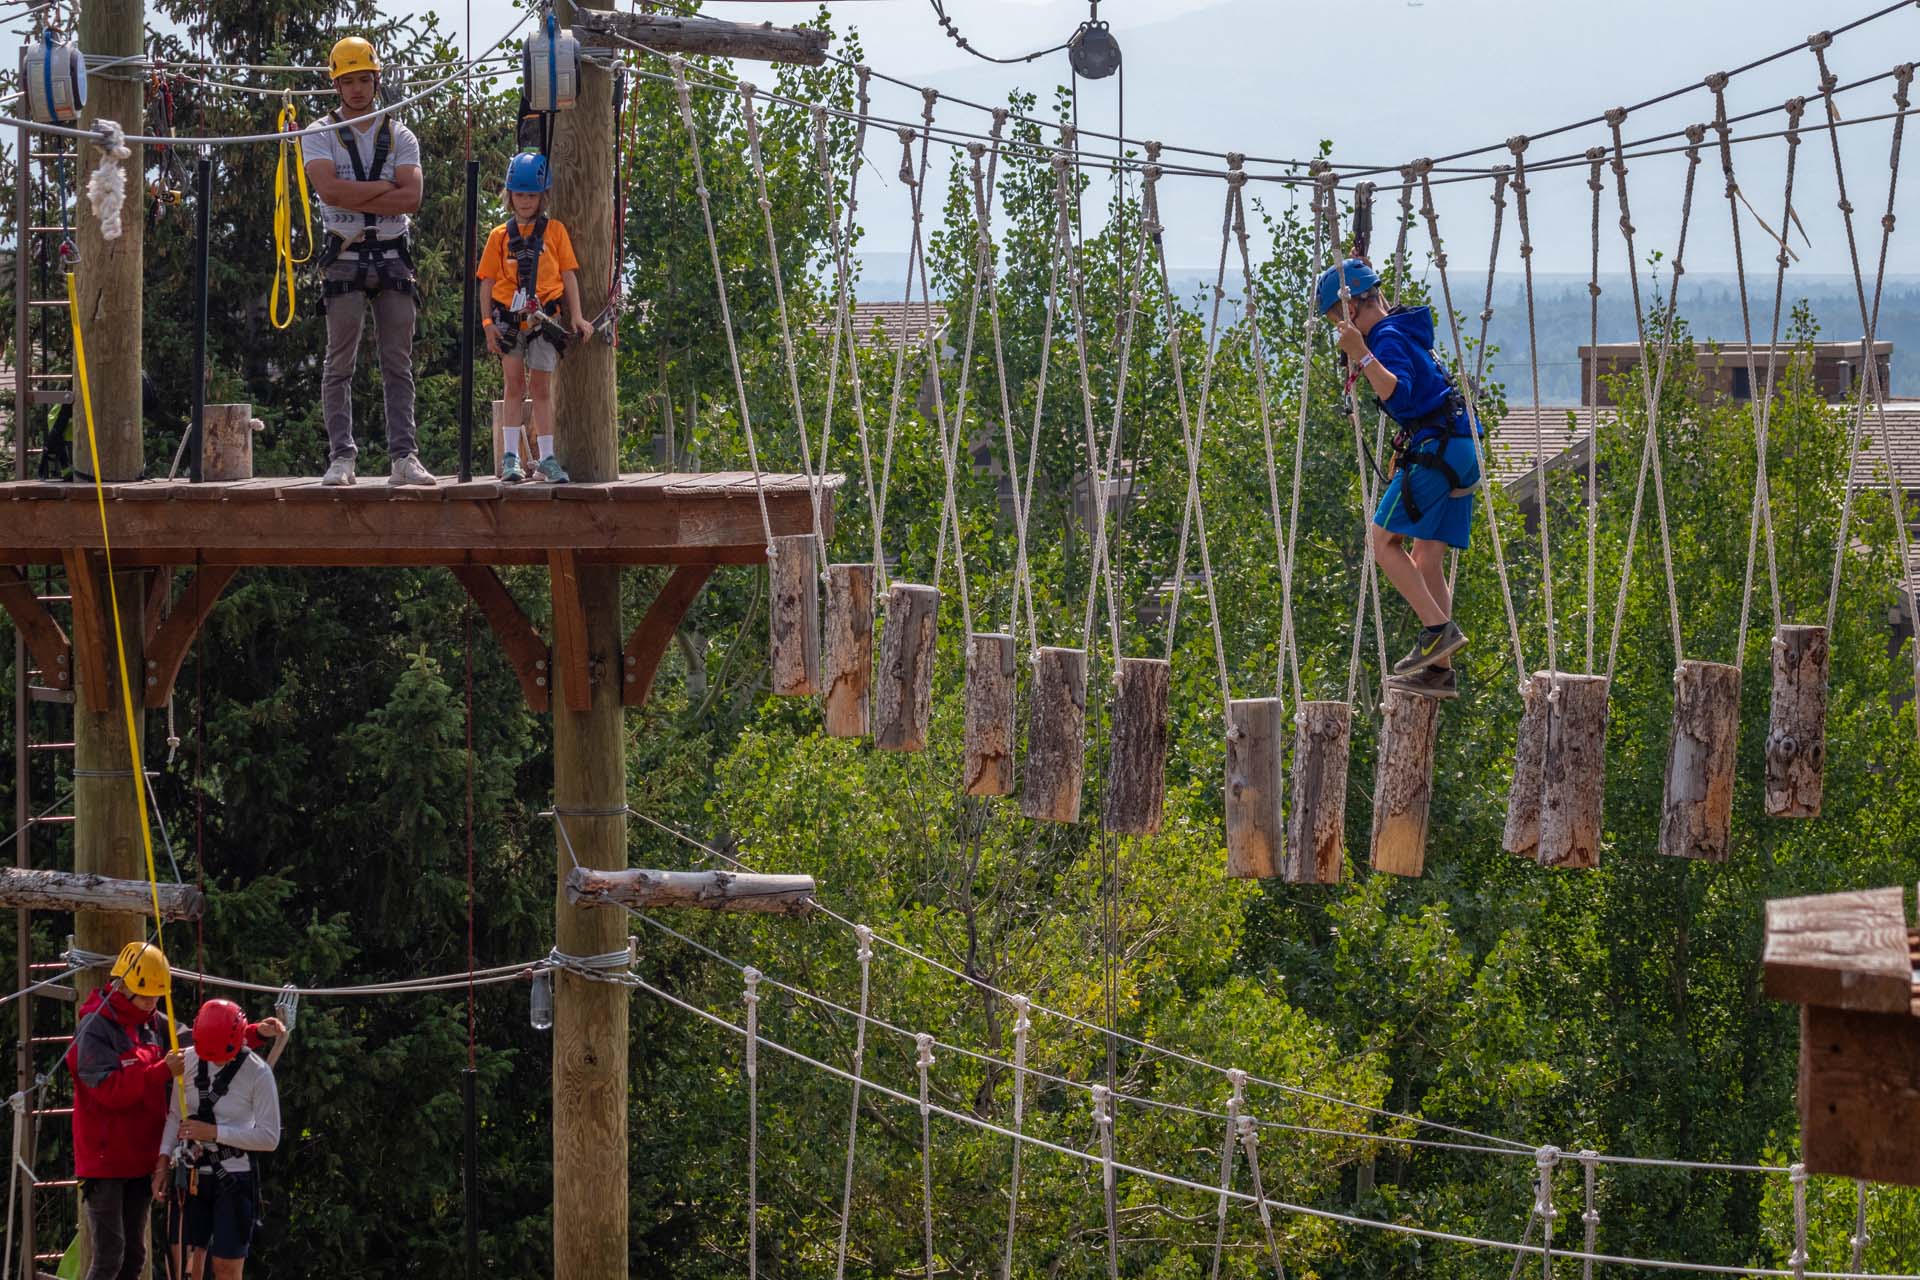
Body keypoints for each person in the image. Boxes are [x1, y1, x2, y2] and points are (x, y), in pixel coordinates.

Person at [1319, 258, 1481, 700]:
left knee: (1382, 541)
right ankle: (1439, 672)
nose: (1338, 329)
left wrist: (1361, 354)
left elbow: (1398, 390)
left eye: (1335, 319)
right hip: (1461, 447)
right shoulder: (1405, 330)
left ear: (1350, 311)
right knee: (1426, 557)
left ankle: (1436, 632)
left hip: (1439, 448)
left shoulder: (1385, 338)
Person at [302, 36, 431, 488]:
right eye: (348, 81)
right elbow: (330, 192)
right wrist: (384, 189)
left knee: (398, 362)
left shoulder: (400, 135)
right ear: (336, 85)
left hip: (393, 257)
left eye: (363, 80)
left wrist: (357, 191)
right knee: (339, 363)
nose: (357, 89)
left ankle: (404, 458)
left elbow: (411, 197)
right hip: (345, 256)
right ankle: (342, 457)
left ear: (376, 81)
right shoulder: (318, 133)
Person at [66, 941, 185, 1280]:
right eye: (145, 996)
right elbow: (109, 1091)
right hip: (105, 1162)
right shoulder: (94, 1029)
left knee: (134, 1256)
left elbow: (200, 1041)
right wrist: (161, 1070)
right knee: (109, 1257)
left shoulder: (152, 1022)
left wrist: (249, 1033)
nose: (152, 1004)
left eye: (156, 998)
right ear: (122, 987)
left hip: (140, 1159)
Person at [476, 150, 594, 484]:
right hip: (508, 322)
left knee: (541, 388)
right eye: (519, 194)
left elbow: (568, 275)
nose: (525, 201)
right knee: (514, 385)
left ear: (543, 197)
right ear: (510, 196)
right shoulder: (499, 237)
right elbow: (486, 282)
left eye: (531, 195)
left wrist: (578, 317)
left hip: (544, 320)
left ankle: (546, 458)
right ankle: (511, 457)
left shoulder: (554, 232)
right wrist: (487, 325)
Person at [156, 1000, 282, 1280]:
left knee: (226, 1267)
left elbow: (269, 1137)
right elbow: (175, 1116)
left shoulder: (257, 1073)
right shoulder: (186, 1060)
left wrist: (214, 1134)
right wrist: (162, 1162)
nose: (214, 1061)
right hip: (189, 1177)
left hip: (233, 1178)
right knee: (180, 1266)